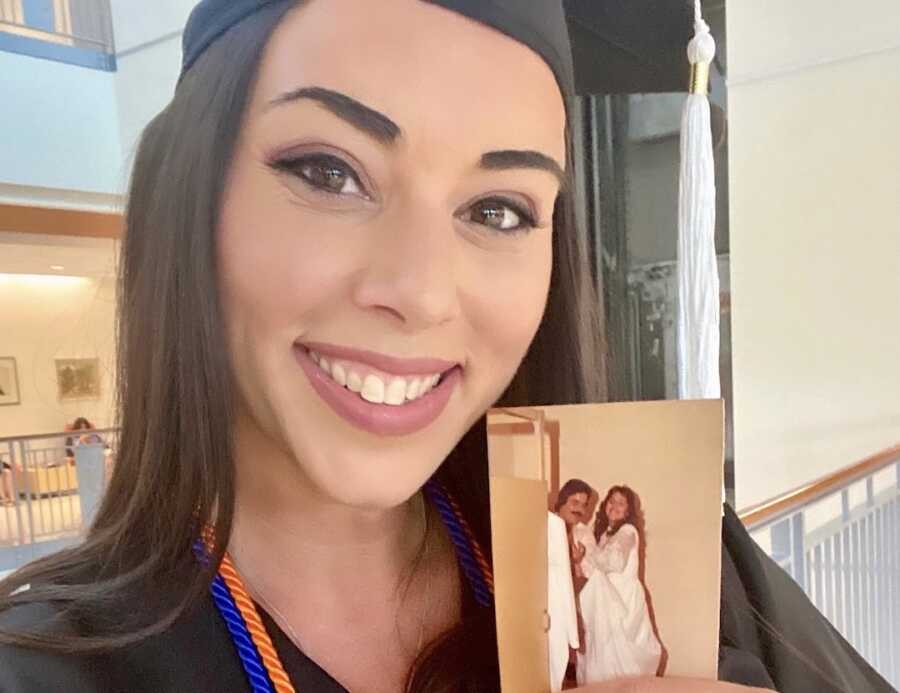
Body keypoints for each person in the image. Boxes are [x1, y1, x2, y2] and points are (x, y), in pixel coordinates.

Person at [0, 2, 889, 692]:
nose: (422, 291)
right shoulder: (48, 670)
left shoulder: (685, 565)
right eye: (328, 170)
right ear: (191, 195)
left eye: (499, 209)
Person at [577, 486, 662, 684]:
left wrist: (588, 548)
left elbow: (613, 562)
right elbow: (595, 568)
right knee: (603, 654)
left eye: (620, 503)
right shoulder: (605, 535)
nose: (614, 506)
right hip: (607, 601)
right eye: (611, 501)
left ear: (628, 511)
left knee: (619, 657)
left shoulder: (627, 531)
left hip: (623, 602)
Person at [548, 509, 580, 691]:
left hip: (558, 605)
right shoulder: (555, 526)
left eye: (584, 504)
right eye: (574, 502)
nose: (579, 509)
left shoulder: (579, 532)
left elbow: (567, 580)